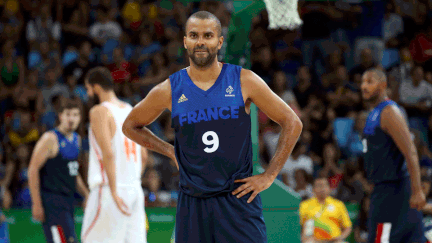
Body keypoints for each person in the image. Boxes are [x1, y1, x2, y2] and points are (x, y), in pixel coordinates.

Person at [122, 11, 303, 242]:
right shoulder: (170, 88)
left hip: (237, 200)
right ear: (185, 41)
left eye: (208, 35)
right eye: (194, 35)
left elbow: (292, 122)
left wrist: (270, 176)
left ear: (219, 42)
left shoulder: (243, 80)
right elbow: (130, 126)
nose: (200, 41)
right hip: (193, 202)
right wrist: (169, 150)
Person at [81, 66, 148, 243]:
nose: (87, 94)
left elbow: (108, 154)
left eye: (88, 89)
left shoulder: (99, 111)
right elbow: (144, 155)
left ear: (96, 87)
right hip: (134, 189)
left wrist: (114, 190)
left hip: (110, 190)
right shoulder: (130, 109)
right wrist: (131, 181)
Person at [361, 68, 426, 243]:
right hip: (384, 188)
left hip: (394, 190)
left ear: (382, 85)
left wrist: (417, 190)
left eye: (369, 82)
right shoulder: (374, 113)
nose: (363, 86)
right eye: (362, 82)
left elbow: (410, 151)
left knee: (382, 239)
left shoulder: (389, 112)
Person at [28, 98, 89, 243]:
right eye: (68, 114)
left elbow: (73, 173)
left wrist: (87, 195)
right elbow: (32, 169)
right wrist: (36, 203)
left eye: (75, 115)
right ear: (60, 116)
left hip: (68, 201)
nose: (71, 119)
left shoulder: (77, 140)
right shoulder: (50, 139)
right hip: (51, 201)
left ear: (80, 118)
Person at [299, 177, 352, 243]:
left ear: (329, 188)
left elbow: (347, 227)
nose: (322, 188)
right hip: (314, 240)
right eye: (319, 186)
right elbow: (299, 226)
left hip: (334, 241)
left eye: (325, 185)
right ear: (313, 189)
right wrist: (304, 238)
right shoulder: (305, 205)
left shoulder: (338, 204)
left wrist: (340, 237)